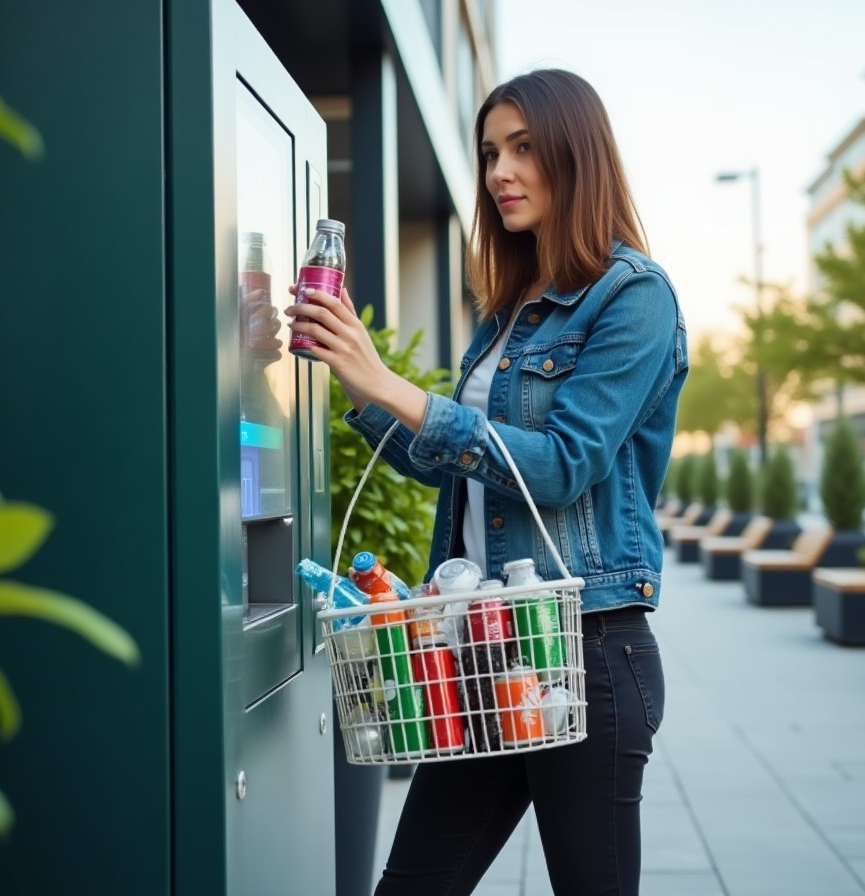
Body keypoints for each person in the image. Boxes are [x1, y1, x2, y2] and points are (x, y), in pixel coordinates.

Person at [285, 68, 688, 896]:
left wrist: (399, 389)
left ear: (577, 157)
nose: (499, 171)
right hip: (483, 647)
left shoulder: (633, 297)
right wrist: (358, 376)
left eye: (524, 149)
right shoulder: (510, 309)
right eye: (489, 153)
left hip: (586, 651)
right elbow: (453, 465)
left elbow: (563, 464)